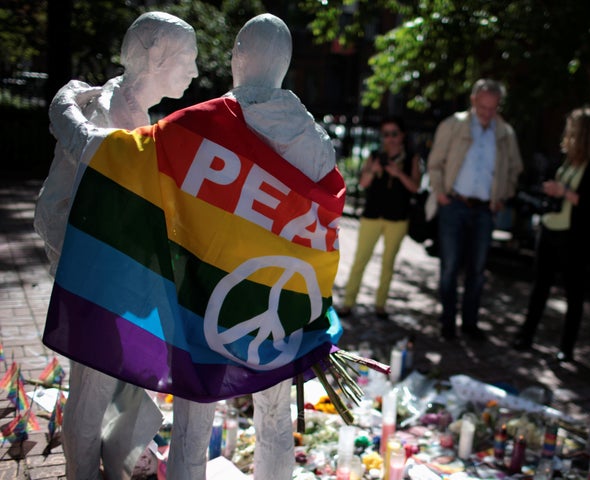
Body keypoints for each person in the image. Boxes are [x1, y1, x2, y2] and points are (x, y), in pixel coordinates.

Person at [46, 13, 341, 480]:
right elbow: (328, 222)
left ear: (238, 55)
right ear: (284, 63)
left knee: (193, 423)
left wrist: (63, 102)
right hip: (280, 308)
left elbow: (106, 151)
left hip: (208, 306)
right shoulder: (318, 142)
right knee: (274, 417)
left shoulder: (201, 127)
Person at [34, 12, 209, 480]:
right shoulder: (108, 115)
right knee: (92, 388)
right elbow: (57, 204)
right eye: (187, 59)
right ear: (155, 57)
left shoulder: (131, 112)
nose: (194, 72)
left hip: (111, 271)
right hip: (95, 271)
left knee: (102, 384)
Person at [512, 107, 590, 362]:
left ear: (584, 132)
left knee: (574, 293)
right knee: (539, 288)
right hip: (550, 228)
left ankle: (566, 347)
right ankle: (526, 335)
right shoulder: (568, 159)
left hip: (574, 236)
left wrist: (564, 192)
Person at [427, 78, 523, 340]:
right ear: (473, 101)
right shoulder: (453, 125)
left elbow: (515, 170)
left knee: (478, 271)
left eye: (492, 109)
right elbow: (435, 162)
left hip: (484, 210)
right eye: (482, 108)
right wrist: (440, 192)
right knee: (450, 267)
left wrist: (503, 195)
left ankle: (469, 323)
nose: (486, 114)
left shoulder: (505, 134)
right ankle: (447, 323)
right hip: (454, 204)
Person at [337, 116, 421, 319]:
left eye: (394, 133)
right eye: (386, 134)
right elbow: (363, 183)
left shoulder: (412, 158)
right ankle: (348, 303)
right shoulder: (375, 156)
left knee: (388, 264)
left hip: (398, 218)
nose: (390, 138)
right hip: (372, 215)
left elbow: (415, 187)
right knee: (360, 260)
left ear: (402, 135)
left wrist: (398, 173)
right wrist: (374, 170)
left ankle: (380, 306)